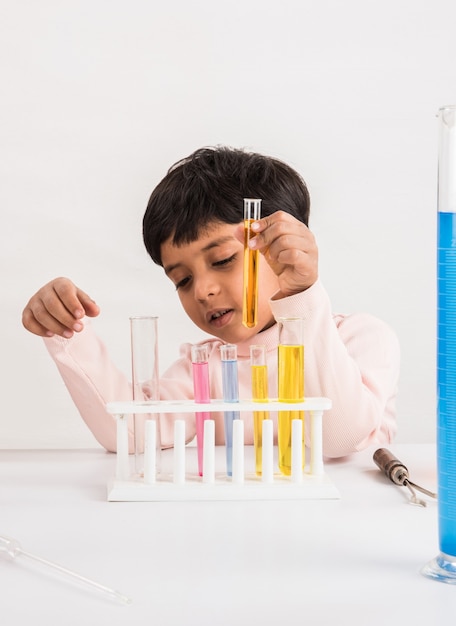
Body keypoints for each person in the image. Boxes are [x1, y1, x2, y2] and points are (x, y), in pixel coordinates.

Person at [22, 146, 400, 458]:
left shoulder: (360, 338)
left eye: (222, 261)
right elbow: (135, 435)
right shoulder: (203, 367)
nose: (201, 290)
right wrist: (67, 331)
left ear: (283, 244)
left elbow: (338, 439)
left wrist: (302, 297)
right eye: (182, 280)